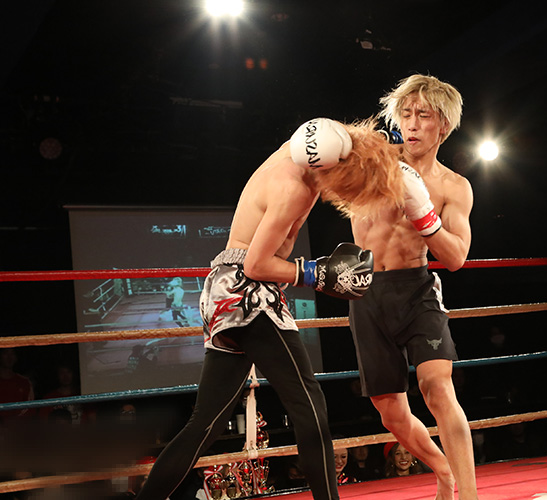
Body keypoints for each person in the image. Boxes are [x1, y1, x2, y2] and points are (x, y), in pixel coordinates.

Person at [134, 117, 404, 500]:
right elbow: (256, 265)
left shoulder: (306, 145)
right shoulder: (293, 189)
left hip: (222, 291)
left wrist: (379, 142)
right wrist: (313, 273)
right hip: (249, 293)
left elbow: (338, 135)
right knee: (309, 406)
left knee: (205, 423)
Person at [348, 74, 479, 499]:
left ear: (444, 125)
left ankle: (470, 496)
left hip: (416, 289)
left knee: (438, 388)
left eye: (423, 115)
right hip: (367, 290)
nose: (412, 124)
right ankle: (443, 472)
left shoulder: (454, 186)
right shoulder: (373, 159)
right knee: (390, 413)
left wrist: (424, 217)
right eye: (406, 114)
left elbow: (456, 257)